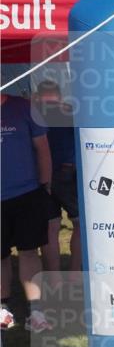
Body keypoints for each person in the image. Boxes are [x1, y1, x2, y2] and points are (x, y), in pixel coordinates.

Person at [0, 93, 53, 332]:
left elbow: (42, 148)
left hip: (27, 193)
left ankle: (37, 312)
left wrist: (45, 184)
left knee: (29, 252)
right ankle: (3, 308)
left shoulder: (24, 108)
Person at [33, 81, 82, 275]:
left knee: (50, 228)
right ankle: (74, 272)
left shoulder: (34, 114)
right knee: (79, 224)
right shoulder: (69, 111)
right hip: (67, 172)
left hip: (41, 176)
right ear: (59, 95)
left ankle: (53, 276)